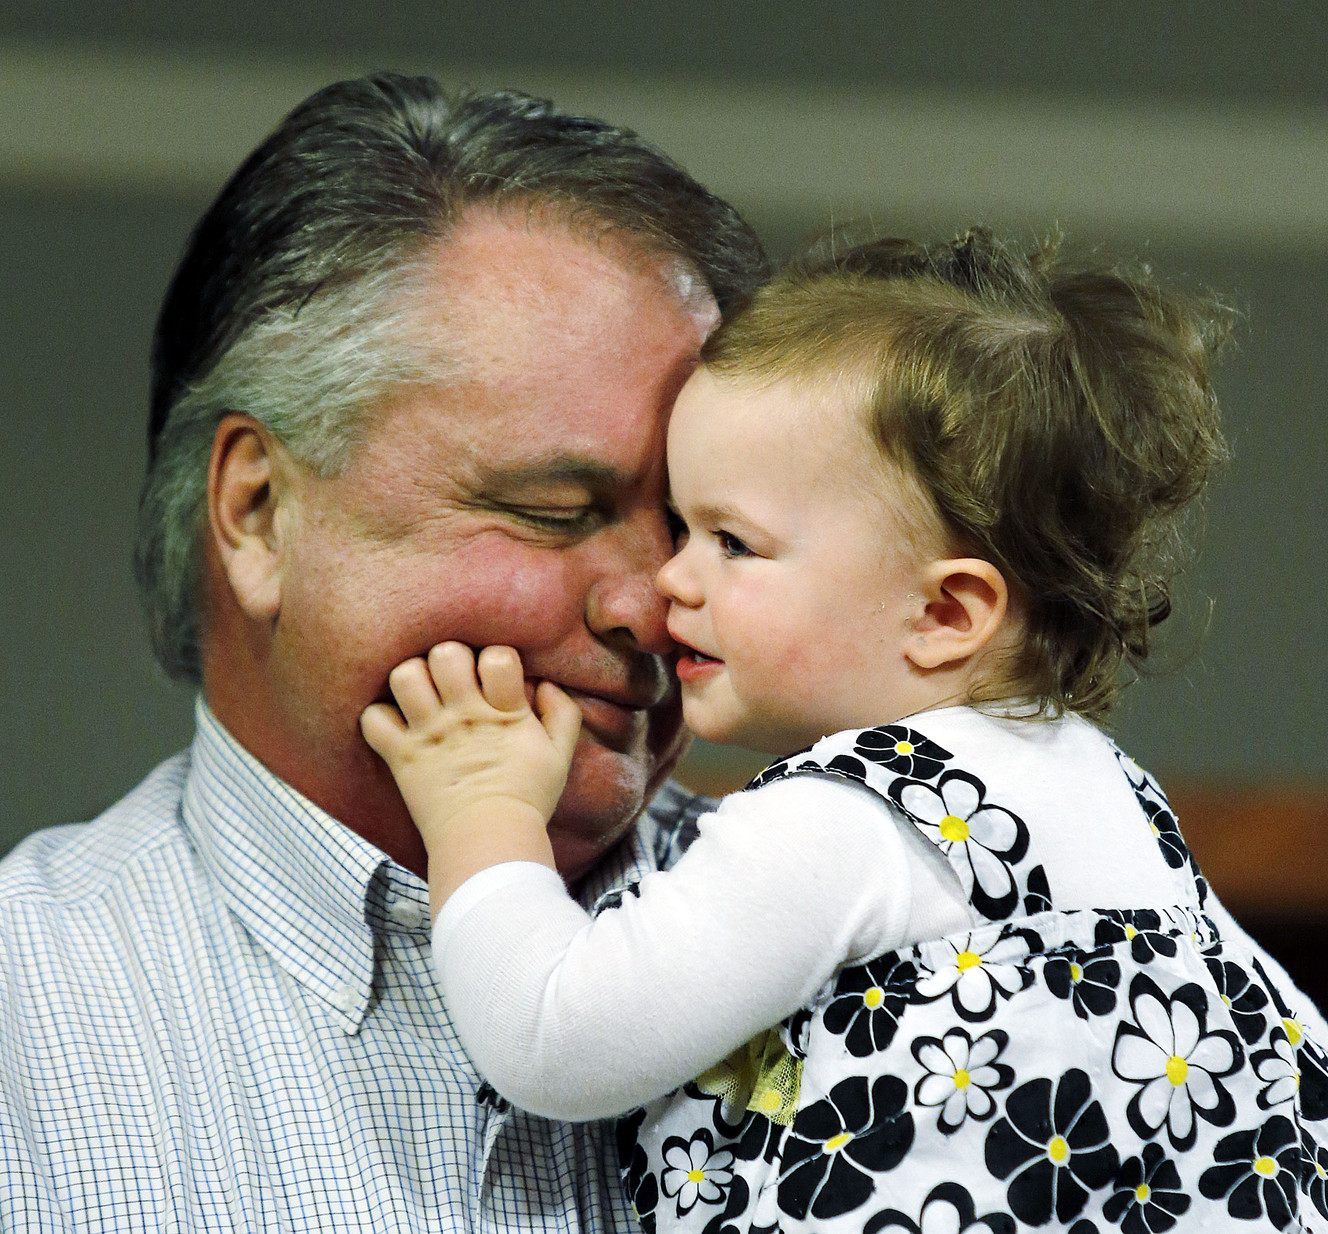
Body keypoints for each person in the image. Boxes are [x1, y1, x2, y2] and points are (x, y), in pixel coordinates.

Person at [364, 229, 1328, 1232]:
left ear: (944, 613)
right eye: (680, 530)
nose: (669, 583)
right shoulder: (1113, 796)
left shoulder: (836, 822)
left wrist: (482, 810)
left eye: (732, 542)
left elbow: (557, 1041)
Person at [0, 74, 767, 1228]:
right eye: (557, 509)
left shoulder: (886, 954)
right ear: (259, 514)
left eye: (702, 527)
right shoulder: (25, 1022)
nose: (656, 606)